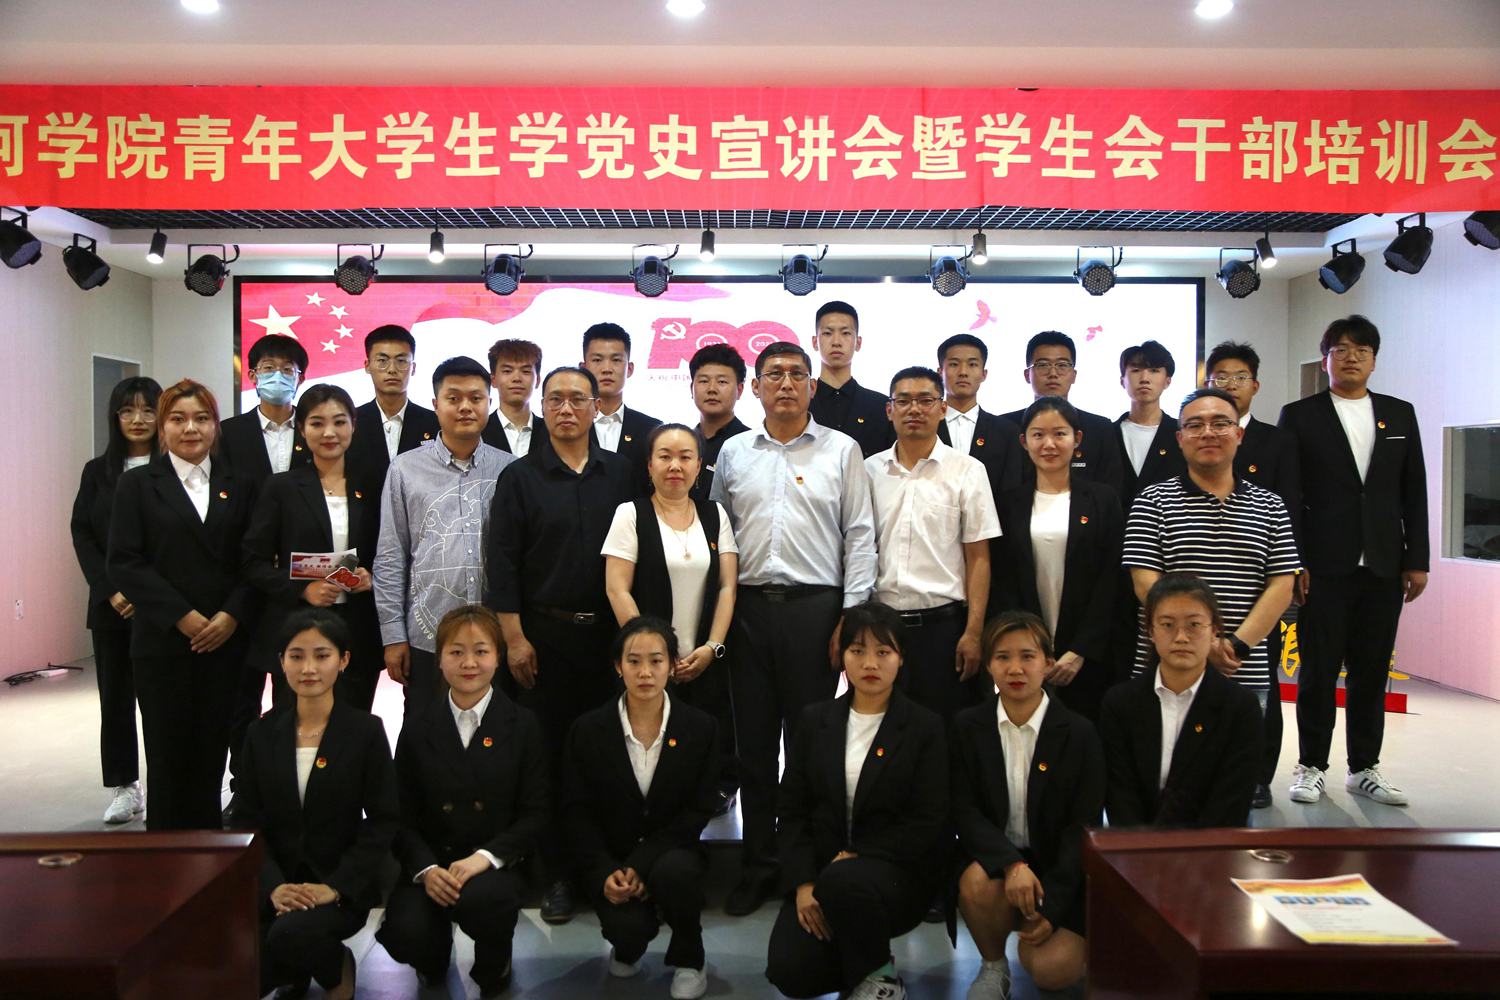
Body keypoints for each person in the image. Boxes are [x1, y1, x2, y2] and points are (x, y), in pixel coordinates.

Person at [710, 340, 878, 917]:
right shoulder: (734, 452)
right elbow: (717, 535)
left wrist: (851, 616)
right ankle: (758, 866)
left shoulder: (842, 449)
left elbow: (860, 534)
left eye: (797, 374)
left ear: (811, 385)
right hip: (748, 611)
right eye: (774, 374)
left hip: (817, 612)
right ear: (755, 387)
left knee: (809, 746)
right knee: (754, 748)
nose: (786, 383)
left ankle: (804, 867)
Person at [486, 365, 635, 924]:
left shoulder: (622, 473)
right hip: (542, 640)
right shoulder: (519, 478)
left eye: (577, 399)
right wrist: (514, 639)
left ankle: (608, 868)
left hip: (611, 640)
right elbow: (502, 563)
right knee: (547, 760)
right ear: (542, 407)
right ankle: (557, 875)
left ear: (597, 406)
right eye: (555, 399)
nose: (566, 409)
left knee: (608, 757)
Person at [1278, 315, 1428, 807]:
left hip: (1383, 564)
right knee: (1318, 671)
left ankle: (1364, 768)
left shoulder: (1399, 414)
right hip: (1322, 565)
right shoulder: (1300, 416)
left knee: (1370, 670)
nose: (1351, 357)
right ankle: (1311, 766)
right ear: (1326, 360)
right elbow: (1289, 495)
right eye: (1340, 349)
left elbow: (1414, 490)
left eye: (1361, 350)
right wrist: (1294, 560)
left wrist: (1417, 558)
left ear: (1374, 360)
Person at [1123, 389, 1300, 806]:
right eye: (1195, 425)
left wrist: (1234, 644)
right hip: (1166, 672)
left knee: (1231, 797)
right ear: (1179, 437)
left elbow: (1281, 586)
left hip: (1243, 672)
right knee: (1156, 790)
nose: (1208, 433)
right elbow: (1146, 583)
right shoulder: (1152, 501)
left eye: (1220, 423)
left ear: (1239, 434)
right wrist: (1203, 645)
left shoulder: (1271, 505)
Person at [764, 602, 948, 1000]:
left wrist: (857, 856)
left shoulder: (925, 727)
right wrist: (803, 883)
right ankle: (861, 965)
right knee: (790, 971)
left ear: (901, 658)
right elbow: (792, 811)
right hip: (824, 874)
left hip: (896, 874)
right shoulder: (814, 721)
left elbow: (928, 821)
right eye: (857, 650)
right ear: (842, 656)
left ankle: (881, 977)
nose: (870, 663)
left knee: (845, 881)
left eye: (883, 652)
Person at [107, 379, 259, 830]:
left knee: (212, 754)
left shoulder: (241, 484)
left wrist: (231, 614)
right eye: (178, 419)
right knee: (168, 756)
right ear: (163, 427)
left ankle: (208, 849)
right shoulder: (137, 484)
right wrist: (182, 616)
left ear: (215, 426)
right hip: (162, 644)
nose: (190, 428)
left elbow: (253, 559)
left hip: (225, 642)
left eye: (201, 418)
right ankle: (166, 853)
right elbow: (124, 562)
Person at [378, 605, 548, 998]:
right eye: (456, 652)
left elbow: (536, 813)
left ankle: (494, 962)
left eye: (481, 651)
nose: (469, 663)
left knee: (485, 902)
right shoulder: (417, 728)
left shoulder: (523, 725)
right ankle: (432, 957)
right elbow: (400, 815)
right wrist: (426, 869)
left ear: (498, 657)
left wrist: (485, 857)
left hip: (496, 864)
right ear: (439, 660)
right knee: (406, 933)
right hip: (433, 862)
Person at [234, 609, 398, 1000]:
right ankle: (296, 968)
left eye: (322, 655)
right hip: (276, 887)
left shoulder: (365, 731)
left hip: (336, 884)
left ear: (343, 660)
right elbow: (245, 821)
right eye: (296, 656)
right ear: (281, 662)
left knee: (288, 936)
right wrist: (274, 887)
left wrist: (335, 887)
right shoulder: (260, 733)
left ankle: (335, 964)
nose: (308, 668)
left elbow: (384, 820)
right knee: (242, 971)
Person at [563, 616, 723, 1000]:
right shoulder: (587, 730)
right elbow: (575, 810)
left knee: (675, 873)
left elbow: (700, 807)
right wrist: (604, 870)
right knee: (627, 933)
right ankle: (627, 944)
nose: (645, 672)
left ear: (673, 665)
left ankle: (690, 958)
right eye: (634, 661)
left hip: (674, 852)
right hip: (613, 858)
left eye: (656, 661)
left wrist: (643, 861)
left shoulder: (701, 728)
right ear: (618, 666)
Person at [952, 611, 1104, 999]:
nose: (1015, 669)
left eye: (1027, 656)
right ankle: (993, 966)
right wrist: (1012, 864)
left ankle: (1062, 940)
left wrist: (1053, 907)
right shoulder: (967, 727)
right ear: (988, 665)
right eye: (1002, 657)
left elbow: (1082, 826)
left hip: (1057, 868)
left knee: (1054, 971)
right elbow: (964, 811)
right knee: (974, 883)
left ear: (1048, 664)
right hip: (1000, 863)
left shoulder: (1080, 733)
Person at [603, 423, 740, 814]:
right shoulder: (630, 514)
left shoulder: (715, 515)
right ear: (649, 465)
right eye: (664, 456)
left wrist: (712, 647)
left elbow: (727, 587)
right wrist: (654, 653)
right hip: (648, 664)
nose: (675, 466)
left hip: (704, 658)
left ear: (699, 465)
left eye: (685, 457)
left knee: (703, 746)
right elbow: (617, 589)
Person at [374, 357, 514, 721]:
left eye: (476, 398)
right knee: (425, 733)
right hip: (427, 636)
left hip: (495, 638)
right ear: (436, 404)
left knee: (495, 732)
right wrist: (393, 635)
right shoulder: (405, 469)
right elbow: (391, 556)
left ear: (489, 403)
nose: (465, 407)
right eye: (454, 398)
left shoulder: (510, 469)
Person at [864, 365, 999, 722]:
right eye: (904, 400)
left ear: (942, 408)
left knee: (944, 733)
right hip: (882, 627)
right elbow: (858, 550)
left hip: (944, 629)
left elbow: (979, 558)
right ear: (889, 409)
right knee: (884, 731)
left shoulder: (968, 470)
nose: (914, 409)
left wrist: (974, 632)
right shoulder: (869, 471)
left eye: (925, 400)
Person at [242, 384, 382, 712]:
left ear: (353, 425)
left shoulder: (373, 485)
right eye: (317, 423)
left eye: (339, 422)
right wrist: (303, 590)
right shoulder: (282, 488)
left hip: (357, 627)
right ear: (302, 430)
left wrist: (371, 578)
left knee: (353, 723)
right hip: (298, 627)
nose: (329, 432)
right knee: (296, 723)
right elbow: (252, 562)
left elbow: (386, 552)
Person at [1206, 340, 1302, 808]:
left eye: (1239, 376)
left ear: (1255, 385)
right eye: (1220, 376)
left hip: (1259, 578)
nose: (1229, 384)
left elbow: (1292, 503)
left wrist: (1294, 567)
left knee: (1262, 678)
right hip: (1199, 577)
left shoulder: (1276, 440)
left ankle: (1259, 774)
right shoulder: (1193, 433)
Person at [992, 397, 1124, 723]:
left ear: (1077, 439)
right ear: (1024, 441)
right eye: (1038, 435)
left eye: (1059, 434)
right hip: (1025, 655)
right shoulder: (1008, 503)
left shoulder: (1103, 500)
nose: (1048, 444)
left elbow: (1110, 580)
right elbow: (1004, 581)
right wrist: (1028, 648)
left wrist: (1081, 650)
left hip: (1088, 655)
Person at [1099, 573, 1263, 827]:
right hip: (1134, 846)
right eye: (1167, 625)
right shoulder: (1120, 703)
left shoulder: (1241, 707)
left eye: (1194, 625)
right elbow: (1120, 795)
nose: (1181, 637)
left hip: (1211, 846)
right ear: (1151, 631)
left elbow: (1232, 800)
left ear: (1214, 631)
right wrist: (1143, 846)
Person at [70, 375, 161, 825]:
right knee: (117, 699)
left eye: (147, 410)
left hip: (163, 608)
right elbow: (83, 533)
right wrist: (110, 589)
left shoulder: (177, 468)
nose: (138, 419)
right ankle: (126, 786)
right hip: (112, 607)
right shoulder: (97, 472)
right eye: (128, 410)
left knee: (163, 699)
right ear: (115, 417)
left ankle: (170, 783)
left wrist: (148, 592)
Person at [999, 331, 1123, 495]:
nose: (1053, 373)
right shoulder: (1004, 427)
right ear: (1027, 375)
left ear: (1074, 375)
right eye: (1043, 365)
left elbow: (1111, 491)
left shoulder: (1100, 429)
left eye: (1062, 365)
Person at [935, 333, 1025, 510]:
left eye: (972, 364)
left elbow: (1011, 494)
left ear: (984, 374)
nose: (963, 372)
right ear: (940, 372)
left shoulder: (1006, 432)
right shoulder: (925, 428)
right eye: (954, 364)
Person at [349, 324, 440, 495]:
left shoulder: (435, 423)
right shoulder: (350, 423)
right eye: (382, 361)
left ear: (413, 368)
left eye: (401, 361)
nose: (392, 370)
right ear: (367, 365)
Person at [219, 332, 313, 485]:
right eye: (269, 367)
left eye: (287, 369)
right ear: (253, 375)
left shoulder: (313, 428)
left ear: (300, 379)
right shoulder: (229, 432)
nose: (278, 376)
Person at [807, 300, 895, 459]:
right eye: (827, 333)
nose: (836, 342)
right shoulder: (801, 405)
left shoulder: (881, 407)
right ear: (815, 342)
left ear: (858, 343)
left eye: (845, 333)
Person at [582, 322, 661, 486]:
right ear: (583, 367)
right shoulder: (569, 425)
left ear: (629, 369)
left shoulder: (652, 429)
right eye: (597, 360)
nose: (607, 369)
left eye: (616, 360)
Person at [1112, 340, 1185, 509]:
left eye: (1154, 370)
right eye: (1136, 370)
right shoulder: (1108, 434)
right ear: (1122, 381)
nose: (1144, 378)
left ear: (1167, 381)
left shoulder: (1182, 434)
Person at [686, 343, 750, 502]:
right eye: (703, 381)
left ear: (740, 390)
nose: (712, 389)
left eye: (722, 382)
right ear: (691, 388)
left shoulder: (751, 445)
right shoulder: (682, 442)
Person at [482, 337, 546, 456]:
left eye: (525, 371)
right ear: (493, 379)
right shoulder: (478, 431)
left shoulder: (552, 432)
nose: (516, 378)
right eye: (507, 371)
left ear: (537, 380)